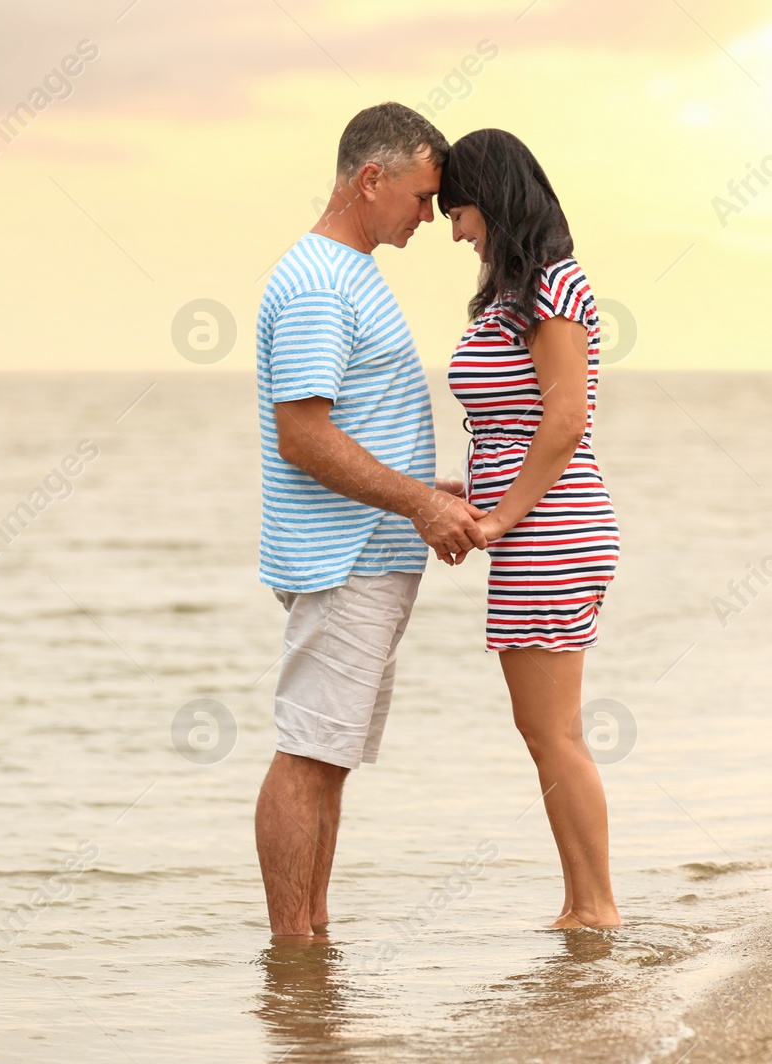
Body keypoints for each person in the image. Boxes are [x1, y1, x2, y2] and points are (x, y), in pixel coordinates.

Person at [253, 103, 488, 941]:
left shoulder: (350, 270)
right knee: (308, 753)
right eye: (422, 197)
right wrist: (421, 503)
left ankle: (312, 943)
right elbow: (304, 433)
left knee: (329, 759)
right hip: (341, 555)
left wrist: (432, 487)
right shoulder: (320, 279)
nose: (428, 217)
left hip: (367, 550)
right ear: (370, 180)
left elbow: (354, 421)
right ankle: (295, 950)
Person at [437, 128, 623, 928]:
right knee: (543, 729)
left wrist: (503, 517)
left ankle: (595, 906)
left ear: (496, 199)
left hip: (553, 525)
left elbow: (564, 419)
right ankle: (582, 902)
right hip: (531, 523)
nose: (453, 229)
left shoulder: (556, 285)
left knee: (554, 732)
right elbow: (513, 429)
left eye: (460, 209)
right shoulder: (518, 291)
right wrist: (468, 494)